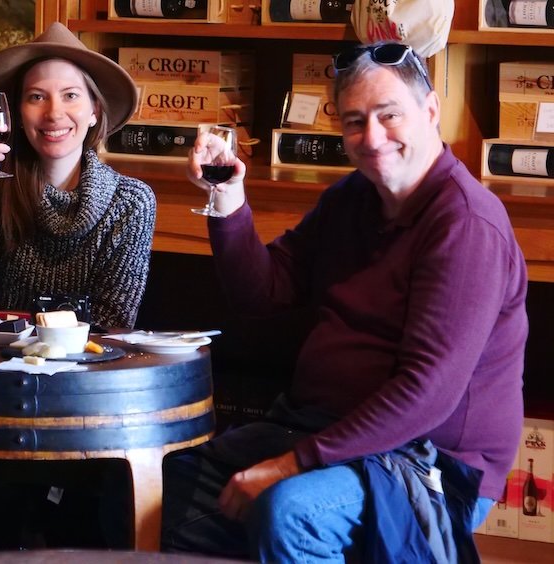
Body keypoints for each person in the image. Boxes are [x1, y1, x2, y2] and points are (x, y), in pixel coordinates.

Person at [160, 42, 528, 562]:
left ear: (429, 112)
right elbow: (260, 295)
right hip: (327, 428)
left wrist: (291, 463)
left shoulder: (466, 224)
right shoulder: (351, 198)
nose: (372, 138)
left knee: (292, 511)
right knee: (179, 476)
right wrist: (226, 198)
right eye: (355, 122)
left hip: (432, 459)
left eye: (388, 115)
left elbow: (427, 394)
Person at [0, 22, 156, 330]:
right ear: (18, 116)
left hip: (81, 373)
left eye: (70, 95)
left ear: (95, 112)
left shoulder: (130, 202)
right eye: (37, 97)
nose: (53, 113)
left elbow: (112, 325)